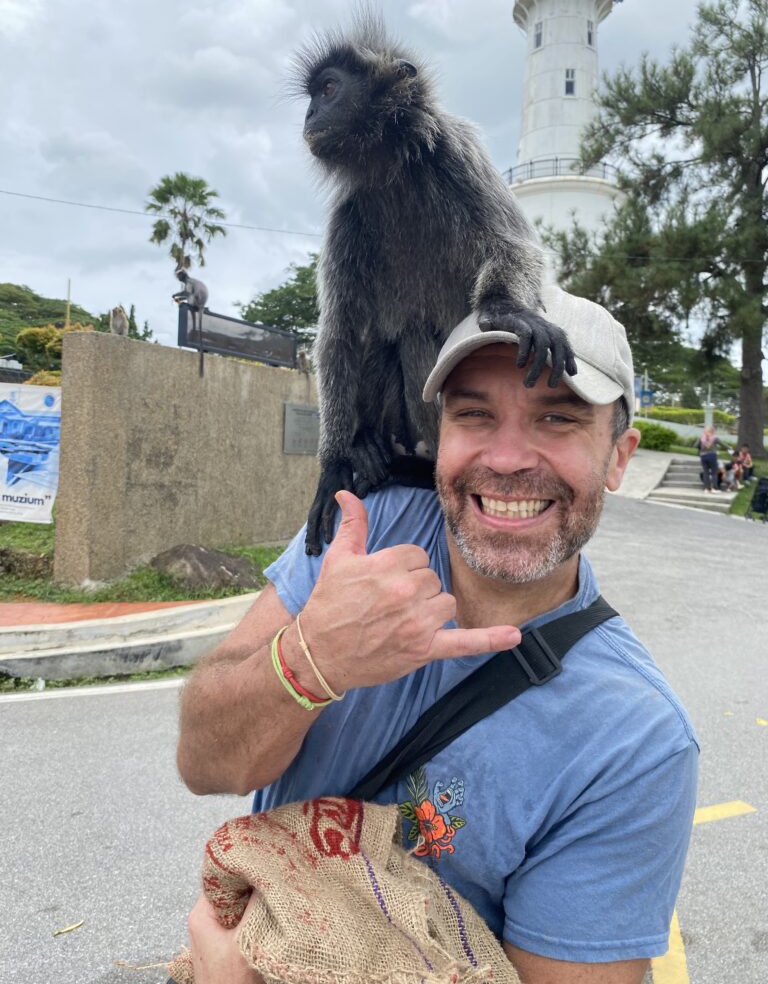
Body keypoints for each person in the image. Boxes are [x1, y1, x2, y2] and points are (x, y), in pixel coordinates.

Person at [177, 285, 699, 984]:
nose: (509, 458)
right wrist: (307, 662)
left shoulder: (636, 743)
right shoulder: (366, 533)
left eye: (558, 419)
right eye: (474, 415)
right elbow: (204, 762)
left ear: (618, 456)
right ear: (439, 435)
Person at [695, 425, 726, 492]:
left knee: (706, 472)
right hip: (712, 456)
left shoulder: (702, 437)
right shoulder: (714, 438)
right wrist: (729, 448)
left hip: (703, 456)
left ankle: (706, 488)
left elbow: (696, 445)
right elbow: (723, 444)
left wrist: (701, 441)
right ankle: (714, 488)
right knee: (714, 472)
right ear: (713, 431)